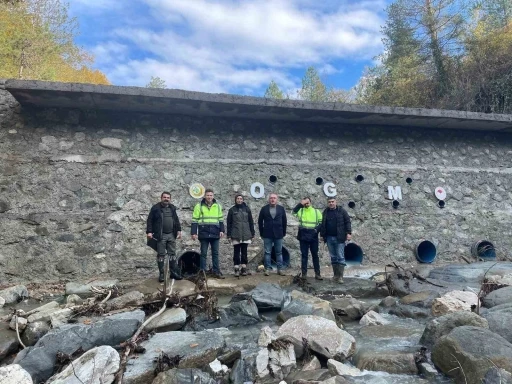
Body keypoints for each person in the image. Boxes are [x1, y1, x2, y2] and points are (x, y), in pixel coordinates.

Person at [146, 192, 182, 282]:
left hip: (171, 235)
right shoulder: (155, 208)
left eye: (168, 197)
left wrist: (179, 230)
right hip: (161, 235)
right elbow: (149, 220)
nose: (166, 199)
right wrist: (149, 231)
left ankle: (173, 273)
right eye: (164, 197)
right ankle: (162, 274)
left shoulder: (172, 208)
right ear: (161, 198)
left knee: (172, 254)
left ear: (170, 199)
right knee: (161, 255)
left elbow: (176, 220)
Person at [191, 188, 225, 279]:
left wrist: (222, 230)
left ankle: (216, 271)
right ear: (205, 196)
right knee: (203, 254)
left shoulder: (217, 206)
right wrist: (193, 232)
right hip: (204, 233)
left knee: (215, 253)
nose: (209, 197)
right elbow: (194, 220)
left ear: (213, 196)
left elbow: (221, 219)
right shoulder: (199, 206)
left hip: (215, 233)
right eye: (208, 195)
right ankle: (202, 273)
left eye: (211, 195)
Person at [320, 197, 352, 284]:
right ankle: (335, 276)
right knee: (333, 257)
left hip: (340, 238)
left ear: (336, 202)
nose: (331, 203)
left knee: (340, 257)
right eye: (329, 202)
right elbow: (322, 224)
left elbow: (347, 222)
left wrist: (349, 233)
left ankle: (340, 277)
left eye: (332, 201)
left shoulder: (342, 211)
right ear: (327, 203)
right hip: (329, 238)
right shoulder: (325, 212)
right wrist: (322, 235)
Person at [293, 197, 323, 280]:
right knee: (304, 255)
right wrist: (300, 204)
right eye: (305, 202)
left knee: (315, 255)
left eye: (308, 202)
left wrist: (316, 230)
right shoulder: (301, 210)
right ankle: (304, 274)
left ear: (311, 202)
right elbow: (293, 212)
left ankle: (317, 274)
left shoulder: (316, 212)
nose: (306, 204)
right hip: (303, 235)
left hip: (313, 235)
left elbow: (321, 223)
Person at [258, 193, 287, 276]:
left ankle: (280, 269)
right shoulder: (264, 209)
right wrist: (261, 233)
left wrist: (283, 232)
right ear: (269, 199)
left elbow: (284, 221)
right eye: (271, 198)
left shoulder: (281, 209)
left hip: (279, 233)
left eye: (274, 198)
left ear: (276, 199)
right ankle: (267, 269)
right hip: (267, 234)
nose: (272, 199)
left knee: (279, 252)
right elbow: (260, 222)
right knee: (267, 252)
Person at [227, 194, 255, 277]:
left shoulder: (247, 209)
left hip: (246, 233)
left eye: (241, 199)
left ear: (243, 200)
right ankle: (236, 269)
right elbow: (229, 223)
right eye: (238, 199)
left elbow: (251, 221)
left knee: (244, 252)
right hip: (235, 233)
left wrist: (252, 233)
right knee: (236, 252)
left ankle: (243, 268)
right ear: (235, 200)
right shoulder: (232, 210)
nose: (239, 200)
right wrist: (229, 234)